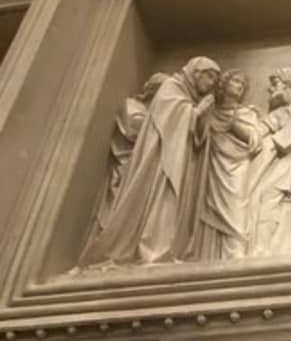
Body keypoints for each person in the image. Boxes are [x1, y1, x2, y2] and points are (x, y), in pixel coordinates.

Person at [81, 56, 220, 265]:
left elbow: (196, 136)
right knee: (162, 201)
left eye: (215, 81)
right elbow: (170, 121)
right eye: (209, 77)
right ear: (196, 73)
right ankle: (154, 250)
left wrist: (202, 116)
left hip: (179, 160)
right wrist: (198, 111)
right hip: (162, 163)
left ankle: (168, 249)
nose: (211, 84)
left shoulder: (188, 96)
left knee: (172, 204)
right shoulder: (171, 87)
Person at [188, 69, 266, 260]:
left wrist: (234, 124)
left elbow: (255, 140)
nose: (240, 86)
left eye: (243, 84)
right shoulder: (211, 112)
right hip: (213, 166)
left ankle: (236, 254)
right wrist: (201, 115)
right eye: (236, 81)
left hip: (238, 166)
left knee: (236, 209)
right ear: (224, 84)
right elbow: (198, 138)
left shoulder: (246, 113)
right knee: (210, 208)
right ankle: (211, 257)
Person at [96, 73, 168, 230]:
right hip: (127, 167)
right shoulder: (132, 106)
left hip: (143, 169)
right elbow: (136, 129)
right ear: (153, 91)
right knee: (122, 206)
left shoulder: (153, 115)